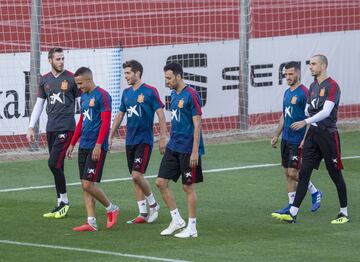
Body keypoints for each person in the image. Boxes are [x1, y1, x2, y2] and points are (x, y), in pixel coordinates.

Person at [277, 55, 349, 224]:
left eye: (314, 64)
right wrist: (306, 126)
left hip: (328, 136)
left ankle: (344, 213)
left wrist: (305, 121)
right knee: (304, 173)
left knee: (335, 174)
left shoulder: (332, 86)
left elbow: (326, 112)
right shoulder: (313, 86)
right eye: (310, 64)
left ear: (323, 66)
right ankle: (293, 212)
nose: (310, 67)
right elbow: (310, 109)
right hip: (312, 136)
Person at [109, 59, 166, 224]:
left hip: (144, 140)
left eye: (128, 73)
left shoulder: (149, 91)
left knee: (136, 174)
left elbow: (160, 114)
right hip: (130, 141)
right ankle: (142, 213)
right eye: (125, 73)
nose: (125, 76)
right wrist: (111, 135)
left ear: (137, 73)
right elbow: (120, 115)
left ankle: (154, 205)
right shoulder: (126, 93)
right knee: (134, 177)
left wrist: (162, 137)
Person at [26, 47, 80, 219]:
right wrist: (31, 126)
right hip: (51, 128)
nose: (61, 62)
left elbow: (80, 104)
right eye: (57, 59)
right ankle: (59, 204)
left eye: (62, 58)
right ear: (50, 61)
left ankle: (64, 201)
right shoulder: (45, 80)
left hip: (67, 127)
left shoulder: (72, 78)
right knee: (58, 165)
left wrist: (80, 129)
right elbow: (39, 104)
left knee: (53, 164)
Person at [66, 67, 119, 231]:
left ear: (88, 80)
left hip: (96, 147)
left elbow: (105, 122)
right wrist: (73, 143)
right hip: (84, 145)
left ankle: (112, 208)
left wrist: (98, 145)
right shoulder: (83, 97)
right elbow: (82, 121)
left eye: (80, 83)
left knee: (88, 184)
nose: (79, 86)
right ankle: (91, 222)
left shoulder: (102, 95)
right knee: (84, 184)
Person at [156, 62, 204, 238]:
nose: (166, 81)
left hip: (187, 149)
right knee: (161, 182)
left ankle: (192, 228)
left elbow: (197, 123)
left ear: (178, 76)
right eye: (165, 78)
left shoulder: (191, 95)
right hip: (173, 146)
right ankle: (177, 220)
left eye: (169, 78)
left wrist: (194, 151)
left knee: (187, 187)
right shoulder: (173, 95)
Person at [271, 61, 322, 218]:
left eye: (291, 74)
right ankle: (291, 206)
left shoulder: (304, 93)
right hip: (286, 139)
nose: (288, 77)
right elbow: (284, 115)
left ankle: (315, 191)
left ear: (298, 73)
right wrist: (276, 135)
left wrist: (305, 139)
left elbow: (311, 118)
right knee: (287, 173)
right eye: (285, 74)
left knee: (294, 172)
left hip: (297, 140)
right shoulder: (287, 92)